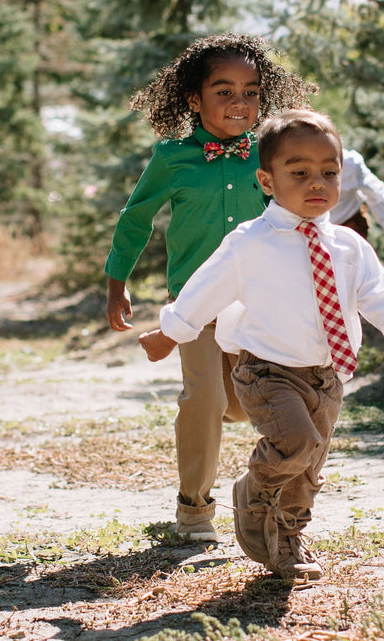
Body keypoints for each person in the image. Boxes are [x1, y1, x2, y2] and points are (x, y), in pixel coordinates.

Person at [138, 109, 384, 580]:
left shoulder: (348, 246)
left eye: (329, 173)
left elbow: (376, 293)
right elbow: (205, 288)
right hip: (267, 371)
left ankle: (289, 541)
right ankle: (252, 494)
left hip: (328, 373)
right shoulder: (250, 242)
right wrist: (170, 331)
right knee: (295, 444)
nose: (317, 183)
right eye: (299, 173)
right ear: (267, 180)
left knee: (309, 467)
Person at [104, 34, 314, 542]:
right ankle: (194, 510)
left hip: (257, 304)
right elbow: (136, 218)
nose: (239, 103)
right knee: (202, 397)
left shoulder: (270, 153)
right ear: (194, 100)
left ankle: (246, 453)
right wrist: (117, 282)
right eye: (224, 92)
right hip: (194, 304)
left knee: (242, 405)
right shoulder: (173, 157)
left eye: (251, 92)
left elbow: (303, 211)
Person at [329, 149, 384, 247]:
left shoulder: (348, 164)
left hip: (349, 226)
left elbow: (375, 192)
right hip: (312, 234)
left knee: (358, 260)